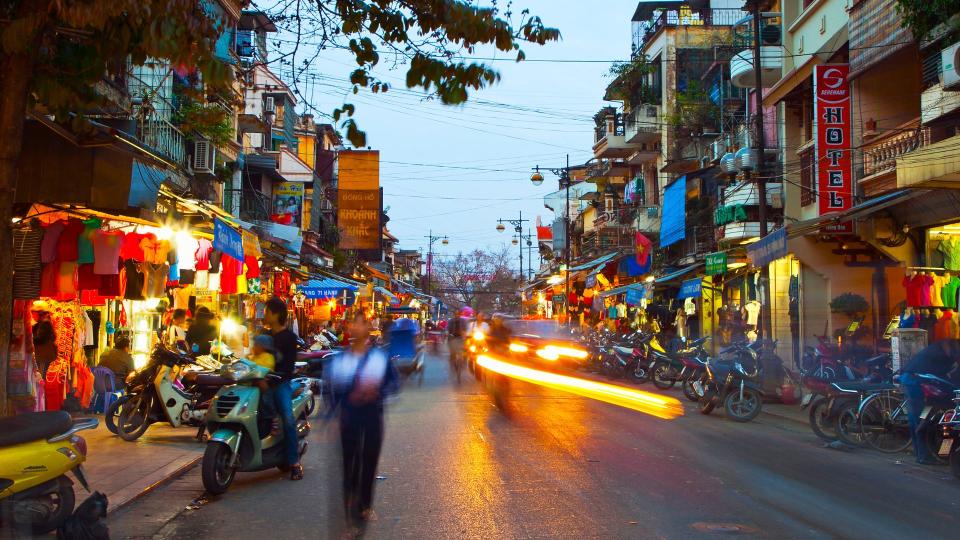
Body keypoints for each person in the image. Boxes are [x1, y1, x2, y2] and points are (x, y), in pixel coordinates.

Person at [328, 312, 399, 529]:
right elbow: (330, 390)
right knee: (349, 463)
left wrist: (378, 392)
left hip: (372, 416)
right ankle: (350, 507)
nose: (356, 328)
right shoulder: (340, 359)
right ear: (349, 328)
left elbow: (394, 384)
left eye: (361, 324)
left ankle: (365, 505)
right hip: (349, 418)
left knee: (369, 462)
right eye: (353, 323)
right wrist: (330, 416)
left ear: (368, 328)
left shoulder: (380, 358)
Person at [900, 339, 960, 464]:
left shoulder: (938, 350)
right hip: (916, 383)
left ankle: (922, 455)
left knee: (918, 420)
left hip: (917, 383)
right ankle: (924, 455)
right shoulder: (942, 353)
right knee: (920, 421)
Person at [263, 297, 303, 480]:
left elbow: (288, 366)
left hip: (280, 384)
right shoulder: (265, 337)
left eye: (267, 311)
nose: (264, 314)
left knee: (287, 419)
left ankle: (294, 463)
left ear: (276, 314)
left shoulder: (289, 338)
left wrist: (274, 378)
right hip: (261, 383)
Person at [31, 301, 57, 376]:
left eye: (33, 312)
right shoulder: (42, 323)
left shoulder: (45, 323)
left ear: (39, 313)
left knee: (40, 376)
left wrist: (30, 340)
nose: (32, 315)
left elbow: (41, 339)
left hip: (43, 355)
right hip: (43, 355)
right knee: (40, 375)